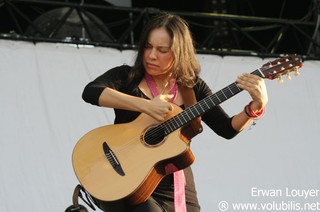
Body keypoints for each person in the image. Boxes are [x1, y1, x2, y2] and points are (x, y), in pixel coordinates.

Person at [82, 12, 268, 212]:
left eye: (162, 50)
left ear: (179, 53)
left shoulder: (192, 88)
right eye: (148, 46)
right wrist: (145, 105)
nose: (152, 55)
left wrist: (256, 105)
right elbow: (91, 92)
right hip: (128, 179)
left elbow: (226, 129)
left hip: (178, 188)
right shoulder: (127, 77)